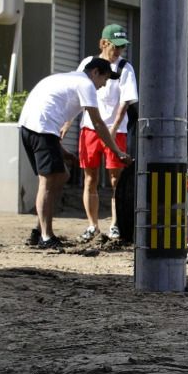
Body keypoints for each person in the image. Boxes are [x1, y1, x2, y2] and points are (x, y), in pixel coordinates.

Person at [17, 58, 128, 249]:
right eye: (104, 79)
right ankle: (44, 236)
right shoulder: (85, 84)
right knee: (48, 181)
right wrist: (116, 150)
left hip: (30, 127)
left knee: (61, 176)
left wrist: (62, 151)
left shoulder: (67, 79)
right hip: (40, 129)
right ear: (94, 72)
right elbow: (99, 124)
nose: (103, 86)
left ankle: (41, 230)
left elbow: (49, 113)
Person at [62, 24, 138, 242]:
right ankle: (92, 225)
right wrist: (68, 123)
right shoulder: (88, 64)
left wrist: (113, 128)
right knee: (90, 178)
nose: (119, 52)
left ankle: (115, 224)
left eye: (123, 48)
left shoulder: (125, 68)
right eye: (116, 47)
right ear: (104, 43)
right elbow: (76, 93)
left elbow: (126, 100)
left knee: (117, 179)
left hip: (117, 130)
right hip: (90, 128)